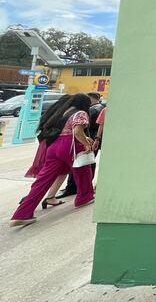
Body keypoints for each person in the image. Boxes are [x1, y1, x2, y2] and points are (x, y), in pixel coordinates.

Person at [10, 94, 95, 227]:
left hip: (53, 146)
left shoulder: (62, 111)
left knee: (42, 181)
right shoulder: (81, 112)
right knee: (83, 172)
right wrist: (87, 143)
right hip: (70, 146)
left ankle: (22, 213)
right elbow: (77, 131)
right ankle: (84, 197)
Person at [23, 94, 73, 208]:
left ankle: (32, 196)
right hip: (56, 143)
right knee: (61, 171)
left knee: (44, 171)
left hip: (45, 142)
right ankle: (49, 196)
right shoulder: (66, 113)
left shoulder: (52, 111)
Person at [57, 93, 103, 198]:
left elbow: (78, 131)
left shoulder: (87, 111)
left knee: (78, 166)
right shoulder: (101, 108)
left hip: (81, 141)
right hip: (90, 140)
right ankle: (85, 193)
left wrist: (86, 143)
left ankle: (74, 189)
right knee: (88, 164)